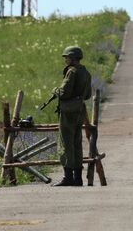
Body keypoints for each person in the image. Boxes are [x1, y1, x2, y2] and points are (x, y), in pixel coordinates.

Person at [52, 46, 92, 186]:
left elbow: (64, 93)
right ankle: (78, 178)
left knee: (65, 143)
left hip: (68, 112)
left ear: (73, 58)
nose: (65, 59)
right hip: (79, 110)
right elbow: (87, 95)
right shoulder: (85, 72)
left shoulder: (72, 72)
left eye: (67, 57)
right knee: (77, 143)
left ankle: (68, 177)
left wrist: (56, 90)